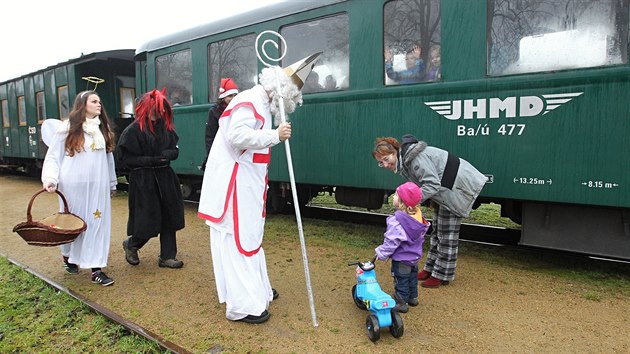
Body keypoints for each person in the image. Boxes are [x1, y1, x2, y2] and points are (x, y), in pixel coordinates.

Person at [198, 52, 321, 324]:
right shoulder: (249, 100)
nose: (288, 105)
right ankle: (243, 304)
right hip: (235, 186)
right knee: (238, 239)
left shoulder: (262, 104)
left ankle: (257, 290)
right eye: (290, 98)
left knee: (251, 238)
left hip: (249, 184)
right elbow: (237, 136)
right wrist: (274, 135)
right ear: (281, 90)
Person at [372, 135, 487, 288]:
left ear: (395, 152)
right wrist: (428, 199)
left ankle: (441, 275)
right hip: (446, 191)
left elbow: (432, 184)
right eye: (381, 162)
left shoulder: (414, 160)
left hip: (455, 190)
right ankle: (431, 269)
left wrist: (410, 201)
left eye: (386, 159)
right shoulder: (407, 159)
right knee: (438, 232)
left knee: (447, 236)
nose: (385, 164)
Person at [40, 90, 117, 286]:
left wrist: (111, 182)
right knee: (71, 222)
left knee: (97, 224)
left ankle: (96, 269)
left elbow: (108, 159)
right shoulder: (67, 128)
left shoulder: (102, 130)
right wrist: (50, 178)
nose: (99, 104)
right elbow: (53, 156)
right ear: (83, 105)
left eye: (99, 101)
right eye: (94, 101)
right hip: (72, 187)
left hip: (97, 187)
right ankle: (68, 257)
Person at [117, 88, 185, 269]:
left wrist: (169, 154)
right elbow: (125, 159)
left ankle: (167, 256)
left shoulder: (166, 127)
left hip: (165, 177)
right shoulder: (133, 131)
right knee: (147, 219)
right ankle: (132, 244)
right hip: (143, 180)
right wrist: (147, 160)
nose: (159, 111)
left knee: (169, 217)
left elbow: (175, 151)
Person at [375, 181, 430, 313]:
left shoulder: (398, 221)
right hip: (414, 257)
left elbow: (391, 242)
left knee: (401, 280)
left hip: (401, 259)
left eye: (395, 195)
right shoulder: (418, 218)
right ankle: (413, 298)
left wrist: (381, 253)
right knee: (412, 278)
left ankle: (401, 302)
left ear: (402, 202)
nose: (393, 197)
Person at [202, 78, 239, 170]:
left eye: (235, 95)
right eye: (230, 96)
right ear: (223, 97)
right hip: (221, 152)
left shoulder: (239, 109)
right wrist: (212, 157)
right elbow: (210, 137)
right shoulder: (214, 112)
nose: (233, 98)